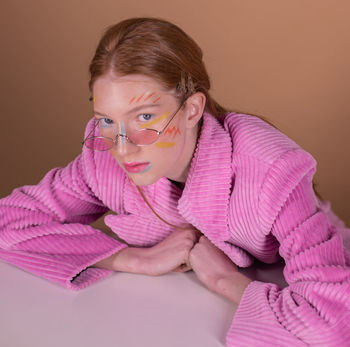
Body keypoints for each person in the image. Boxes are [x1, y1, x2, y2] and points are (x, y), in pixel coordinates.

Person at [0, 17, 349, 346]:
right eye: (107, 120)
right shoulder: (102, 156)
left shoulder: (270, 169)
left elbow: (333, 320)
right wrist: (134, 259)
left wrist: (228, 282)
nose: (122, 148)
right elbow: (10, 219)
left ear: (193, 109)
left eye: (145, 117)